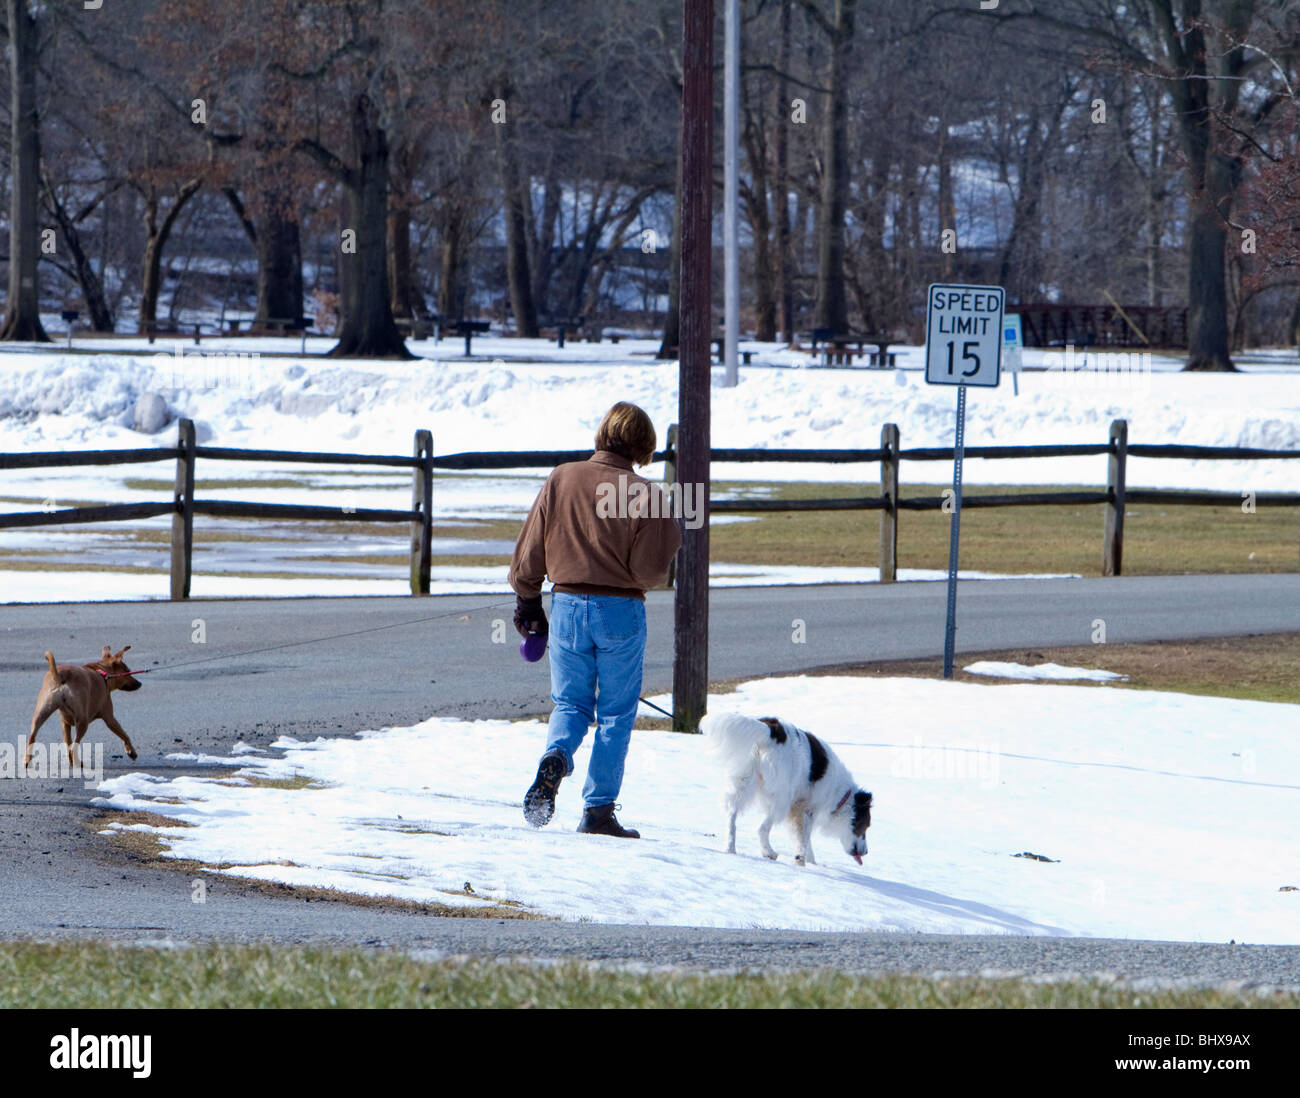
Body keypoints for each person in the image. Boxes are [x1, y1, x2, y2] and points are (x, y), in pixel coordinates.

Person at [509, 401, 682, 838]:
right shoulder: (645, 495)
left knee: (570, 704)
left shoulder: (562, 477)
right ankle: (598, 810)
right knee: (615, 713)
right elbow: (649, 572)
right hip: (620, 610)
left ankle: (557, 756)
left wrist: (528, 603)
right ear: (644, 446)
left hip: (565, 605)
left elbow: (530, 550)